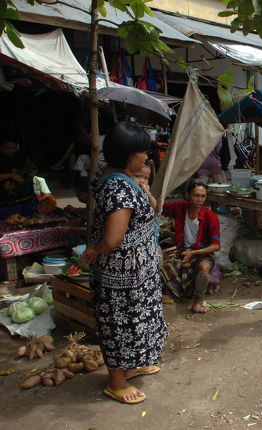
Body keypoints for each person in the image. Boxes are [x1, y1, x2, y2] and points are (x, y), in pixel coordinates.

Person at [80, 122, 167, 405]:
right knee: (122, 325)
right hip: (122, 276)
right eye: (142, 152)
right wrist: (95, 248)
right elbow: (113, 238)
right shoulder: (119, 189)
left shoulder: (121, 177)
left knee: (138, 320)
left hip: (138, 272)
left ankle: (134, 363)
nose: (146, 157)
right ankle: (116, 381)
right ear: (128, 154)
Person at [161, 180, 221, 313]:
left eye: (203, 196)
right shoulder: (179, 208)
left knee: (203, 267)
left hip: (202, 253)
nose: (200, 199)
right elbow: (159, 206)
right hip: (182, 250)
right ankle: (169, 293)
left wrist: (194, 254)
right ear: (187, 195)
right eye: (196, 195)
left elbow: (216, 246)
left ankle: (197, 303)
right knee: (164, 265)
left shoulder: (211, 217)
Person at [0, 139, 37, 220]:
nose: (10, 151)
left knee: (29, 222)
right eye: (7, 148)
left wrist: (30, 175)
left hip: (27, 199)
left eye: (13, 148)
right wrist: (10, 175)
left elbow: (33, 169)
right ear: (1, 147)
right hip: (6, 203)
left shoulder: (22, 156)